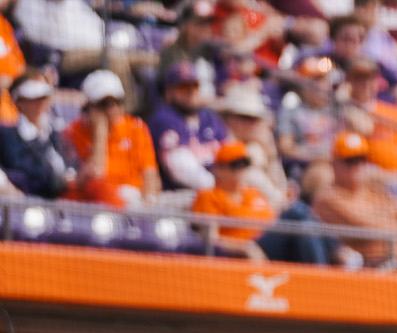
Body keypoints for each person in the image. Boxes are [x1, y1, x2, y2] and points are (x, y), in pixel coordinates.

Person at [312, 130, 397, 267]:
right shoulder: (327, 199)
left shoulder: (373, 192)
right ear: (334, 163)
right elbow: (371, 231)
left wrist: (384, 217)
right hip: (369, 269)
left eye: (362, 159)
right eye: (350, 161)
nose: (358, 166)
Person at [66, 69, 159, 207]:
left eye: (118, 102)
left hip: (134, 197)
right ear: (89, 107)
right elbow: (95, 176)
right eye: (105, 104)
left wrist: (149, 203)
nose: (113, 108)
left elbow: (150, 175)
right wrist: (100, 133)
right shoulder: (74, 132)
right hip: (97, 202)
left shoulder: (136, 127)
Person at [148, 60, 226, 192]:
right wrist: (222, 188)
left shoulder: (210, 118)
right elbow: (180, 168)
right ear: (169, 92)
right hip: (181, 192)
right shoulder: (163, 119)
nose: (190, 92)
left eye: (194, 85)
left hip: (220, 187)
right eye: (183, 87)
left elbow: (230, 153)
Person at [190, 139, 276, 259]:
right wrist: (245, 247)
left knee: (295, 215)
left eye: (244, 164)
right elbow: (212, 239)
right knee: (296, 213)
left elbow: (276, 225)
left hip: (268, 244)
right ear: (219, 169)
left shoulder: (254, 193)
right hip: (238, 254)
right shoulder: (208, 196)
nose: (241, 170)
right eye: (235, 165)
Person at [0, 77, 71, 199]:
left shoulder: (54, 133)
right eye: (33, 100)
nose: (40, 104)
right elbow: (20, 168)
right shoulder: (8, 134)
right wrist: (56, 179)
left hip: (60, 197)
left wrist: (71, 176)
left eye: (43, 99)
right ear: (19, 102)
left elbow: (70, 162)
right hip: (29, 198)